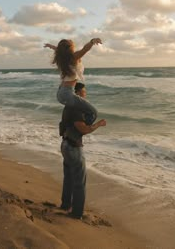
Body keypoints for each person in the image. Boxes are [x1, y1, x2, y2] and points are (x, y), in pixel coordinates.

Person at [59, 82, 106, 219]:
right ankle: (76, 213)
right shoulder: (77, 109)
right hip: (73, 147)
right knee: (79, 182)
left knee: (68, 178)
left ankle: (65, 205)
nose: (85, 96)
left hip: (65, 145)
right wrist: (98, 124)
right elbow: (83, 129)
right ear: (78, 93)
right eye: (84, 93)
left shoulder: (68, 107)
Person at [44, 38, 102, 124]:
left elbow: (59, 50)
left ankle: (72, 127)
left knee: (77, 111)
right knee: (93, 112)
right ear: (70, 47)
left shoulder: (62, 58)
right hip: (67, 93)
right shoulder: (74, 57)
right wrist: (92, 42)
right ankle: (80, 130)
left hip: (60, 93)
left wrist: (52, 46)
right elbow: (84, 49)